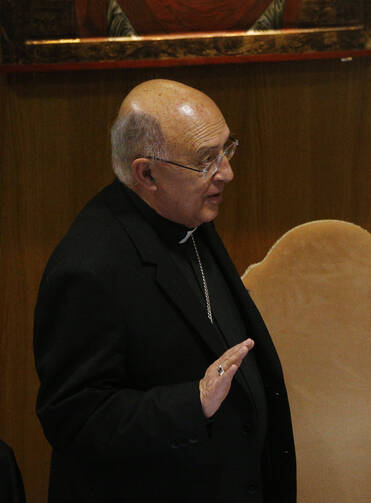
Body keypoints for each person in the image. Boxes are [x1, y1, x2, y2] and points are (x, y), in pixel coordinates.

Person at [34, 79, 296, 502]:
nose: (226, 172)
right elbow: (74, 419)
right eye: (206, 160)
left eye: (226, 150)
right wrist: (192, 401)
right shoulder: (88, 267)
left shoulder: (186, 215)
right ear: (147, 173)